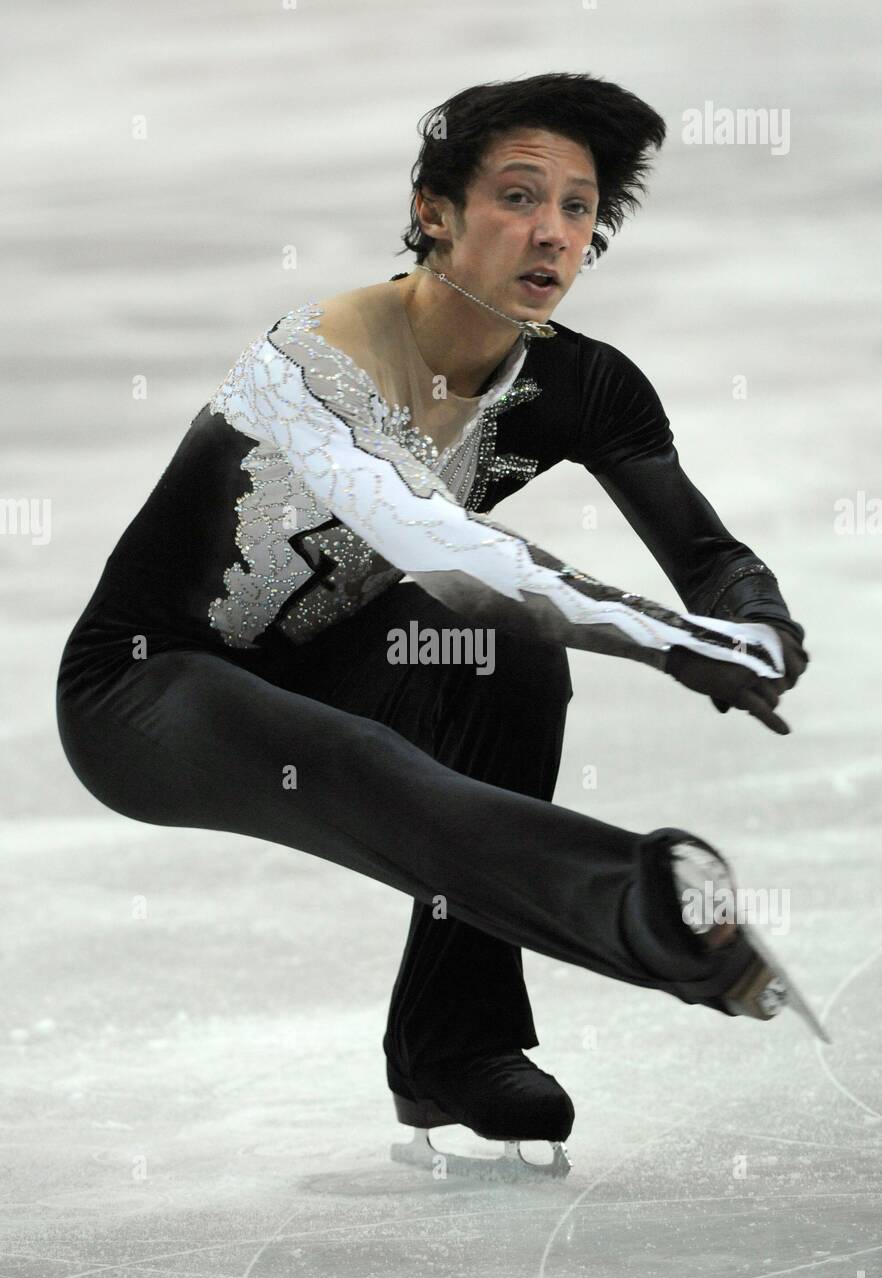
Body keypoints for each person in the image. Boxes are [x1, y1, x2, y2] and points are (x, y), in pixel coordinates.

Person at [55, 72, 810, 1180]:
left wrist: (756, 623)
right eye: (517, 195)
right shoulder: (313, 360)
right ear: (433, 212)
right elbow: (453, 555)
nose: (551, 231)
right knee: (374, 746)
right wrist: (674, 641)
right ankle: (640, 909)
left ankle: (453, 1048)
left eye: (578, 207)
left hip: (335, 658)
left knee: (508, 662)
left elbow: (707, 555)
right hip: (147, 691)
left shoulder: (582, 386)